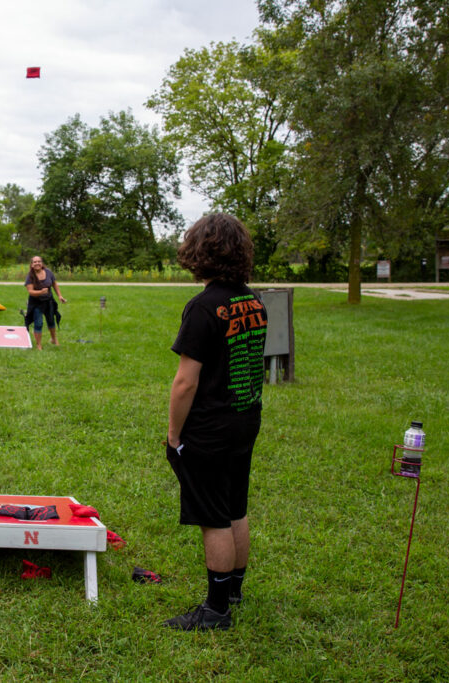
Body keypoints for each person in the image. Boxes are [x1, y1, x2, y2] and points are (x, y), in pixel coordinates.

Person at [162, 213, 267, 632]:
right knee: (235, 506)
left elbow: (186, 382)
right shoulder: (253, 301)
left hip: (209, 428)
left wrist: (173, 436)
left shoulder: (204, 307)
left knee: (214, 517)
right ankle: (234, 590)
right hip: (245, 418)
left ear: (199, 251)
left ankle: (217, 609)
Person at [24, 256, 66, 350]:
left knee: (51, 321)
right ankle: (39, 345)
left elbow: (54, 284)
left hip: (49, 301)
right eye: (35, 262)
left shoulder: (48, 272)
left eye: (39, 261)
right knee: (38, 323)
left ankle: (54, 339)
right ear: (31, 264)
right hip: (36, 303)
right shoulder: (30, 276)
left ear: (42, 263)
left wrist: (59, 296)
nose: (37, 263)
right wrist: (41, 292)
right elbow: (30, 291)